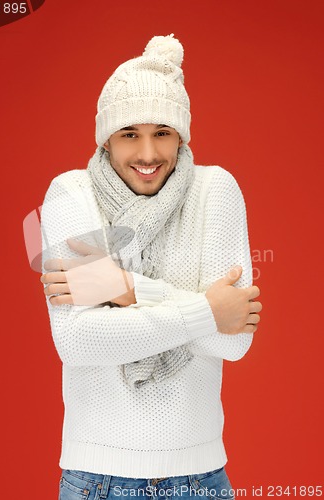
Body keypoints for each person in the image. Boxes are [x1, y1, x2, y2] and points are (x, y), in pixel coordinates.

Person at [40, 34, 262, 500]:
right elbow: (79, 340)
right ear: (106, 139)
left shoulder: (215, 191)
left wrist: (125, 289)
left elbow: (234, 338)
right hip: (93, 479)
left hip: (199, 478)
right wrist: (206, 309)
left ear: (181, 135)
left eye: (162, 133)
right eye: (129, 134)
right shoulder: (69, 194)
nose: (147, 154)